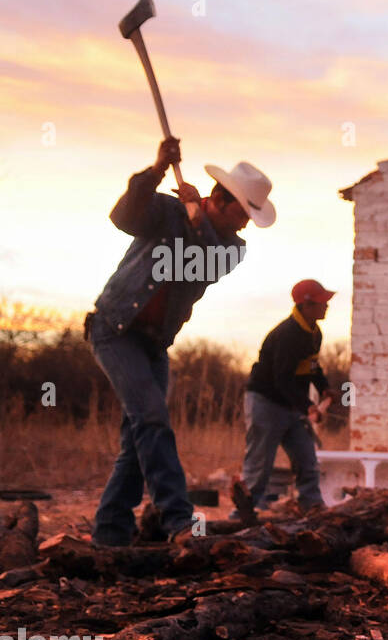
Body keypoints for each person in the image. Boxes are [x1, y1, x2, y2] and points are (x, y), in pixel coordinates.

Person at [87, 137, 275, 546]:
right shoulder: (169, 211)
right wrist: (156, 170)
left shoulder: (232, 249)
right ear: (219, 199)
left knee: (139, 440)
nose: (245, 224)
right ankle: (178, 521)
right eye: (242, 213)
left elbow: (204, 261)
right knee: (152, 420)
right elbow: (123, 216)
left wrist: (196, 219)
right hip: (114, 329)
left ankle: (109, 533)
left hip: (155, 344)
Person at [239, 279, 338, 513]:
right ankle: (243, 512)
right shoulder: (287, 335)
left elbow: (311, 366)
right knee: (260, 462)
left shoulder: (314, 333)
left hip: (291, 405)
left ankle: (312, 506)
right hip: (266, 403)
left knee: (307, 459)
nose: (327, 307)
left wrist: (323, 387)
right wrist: (308, 407)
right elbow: (281, 379)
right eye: (322, 303)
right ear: (306, 305)